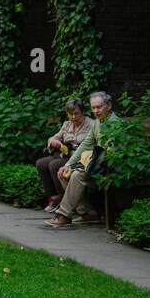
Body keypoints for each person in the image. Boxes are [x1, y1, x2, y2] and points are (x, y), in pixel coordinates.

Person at [47, 91, 118, 227]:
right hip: (96, 164)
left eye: (99, 107)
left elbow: (112, 153)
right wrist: (68, 164)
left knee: (76, 176)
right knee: (64, 172)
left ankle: (63, 215)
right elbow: (85, 144)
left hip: (109, 168)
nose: (96, 111)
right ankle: (88, 213)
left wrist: (87, 164)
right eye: (93, 108)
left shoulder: (115, 124)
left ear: (108, 106)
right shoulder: (98, 123)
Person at [36, 99, 96, 213]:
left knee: (54, 165)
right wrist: (53, 141)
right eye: (70, 114)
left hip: (80, 158)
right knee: (41, 163)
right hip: (66, 154)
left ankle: (63, 198)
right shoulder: (66, 124)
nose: (73, 117)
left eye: (76, 113)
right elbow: (54, 137)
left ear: (83, 112)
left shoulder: (91, 125)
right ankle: (54, 197)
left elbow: (89, 146)